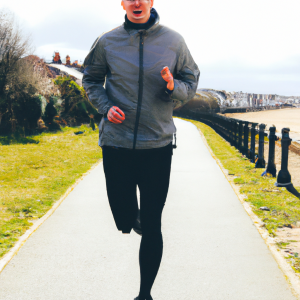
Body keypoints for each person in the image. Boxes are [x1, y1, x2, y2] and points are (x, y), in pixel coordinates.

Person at [82, 1, 199, 299]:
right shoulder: (107, 41)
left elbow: (191, 81)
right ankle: (132, 218)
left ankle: (144, 293)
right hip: (117, 144)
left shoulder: (174, 41)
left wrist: (174, 87)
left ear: (152, 2)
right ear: (122, 2)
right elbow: (91, 80)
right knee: (123, 218)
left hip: (157, 145)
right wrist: (106, 107)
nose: (136, 3)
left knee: (153, 222)